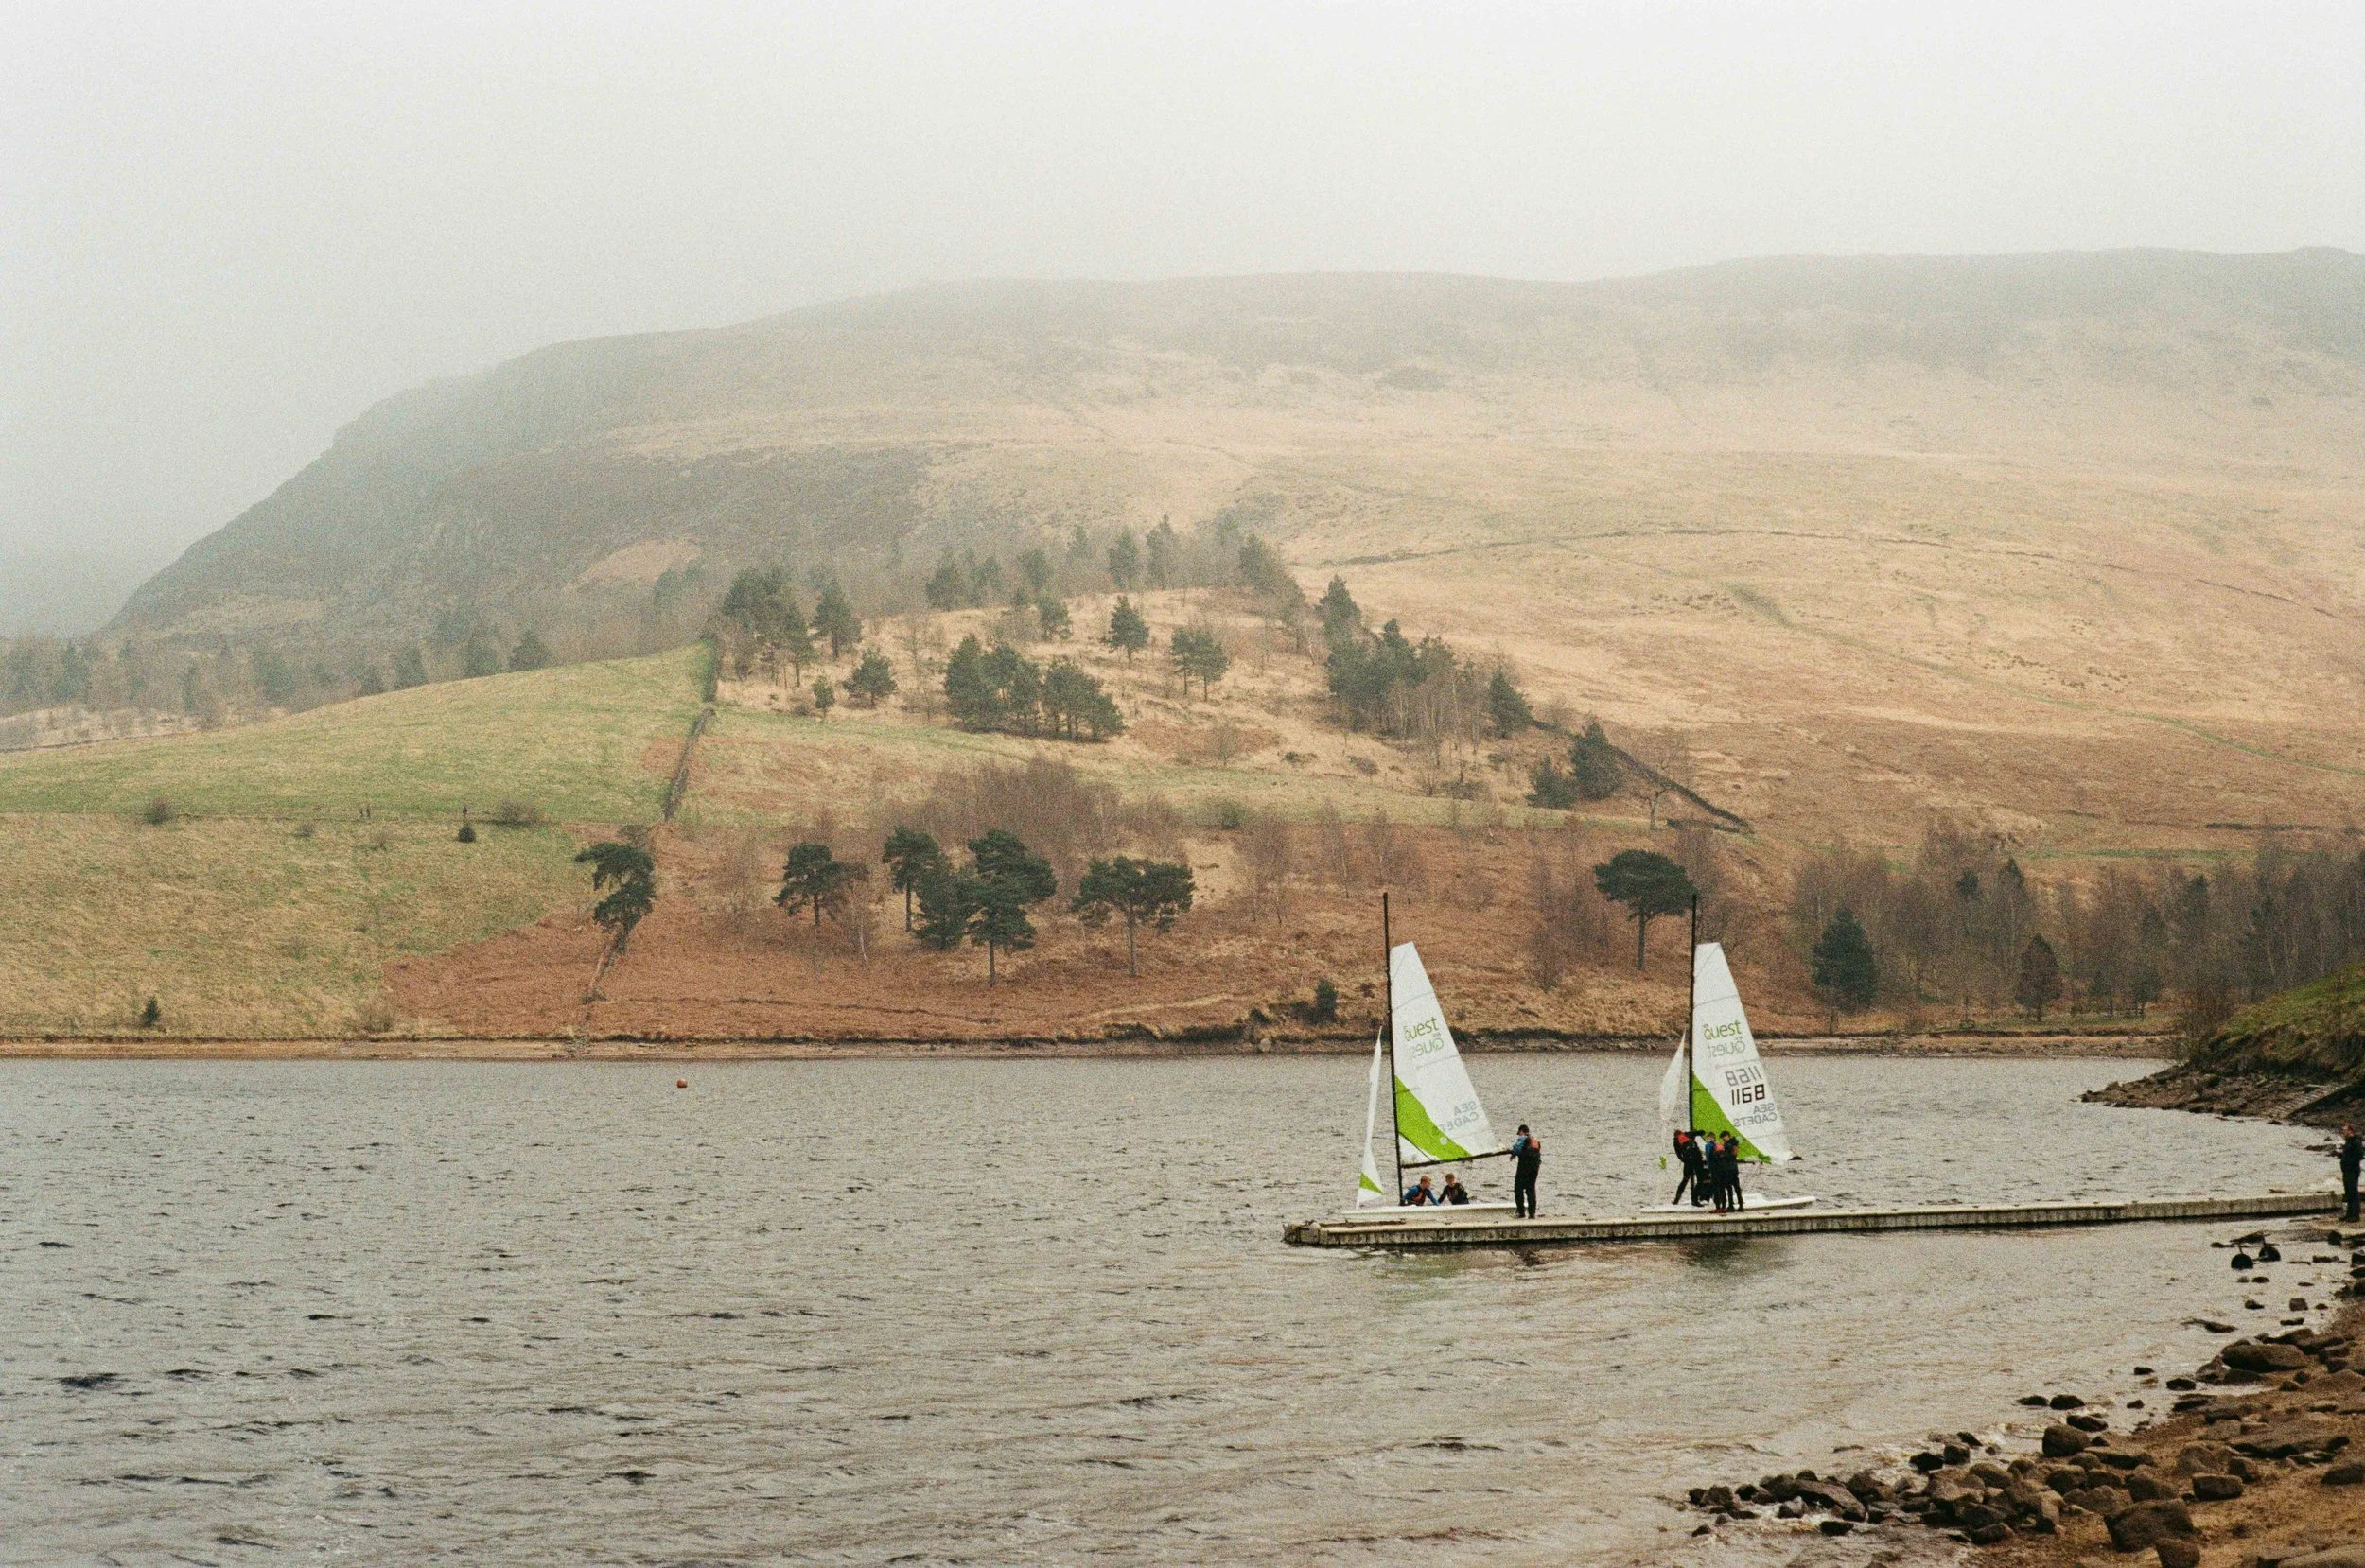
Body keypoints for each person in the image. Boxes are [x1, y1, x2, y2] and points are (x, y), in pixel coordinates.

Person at [1510, 1124, 1543, 1218]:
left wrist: (1513, 1154)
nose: (1519, 1135)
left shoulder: (1523, 1138)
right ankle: (1532, 1214)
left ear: (1522, 1131)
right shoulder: (1535, 1140)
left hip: (1524, 1167)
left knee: (1518, 1189)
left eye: (1519, 1133)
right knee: (1531, 1190)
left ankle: (1521, 1213)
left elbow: (1516, 1149)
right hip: (1535, 1168)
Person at [1672, 1129, 1707, 1207]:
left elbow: (1679, 1155)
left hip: (1688, 1162)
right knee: (1700, 1180)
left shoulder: (1676, 1142)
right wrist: (1697, 1132)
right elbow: (1702, 1132)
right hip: (1697, 1159)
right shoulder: (1688, 1134)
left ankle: (1676, 1200)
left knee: (1685, 1180)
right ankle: (1695, 1200)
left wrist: (1685, 1160)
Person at [2342, 1124, 2362, 1223]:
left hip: (2353, 1170)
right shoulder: (2348, 1142)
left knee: (2353, 1192)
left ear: (2350, 1131)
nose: (2343, 1132)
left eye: (2345, 1130)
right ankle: (2349, 1214)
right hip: (2346, 1170)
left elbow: (2360, 1155)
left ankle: (2355, 1215)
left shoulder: (2356, 1141)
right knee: (2348, 1192)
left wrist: (2350, 1163)